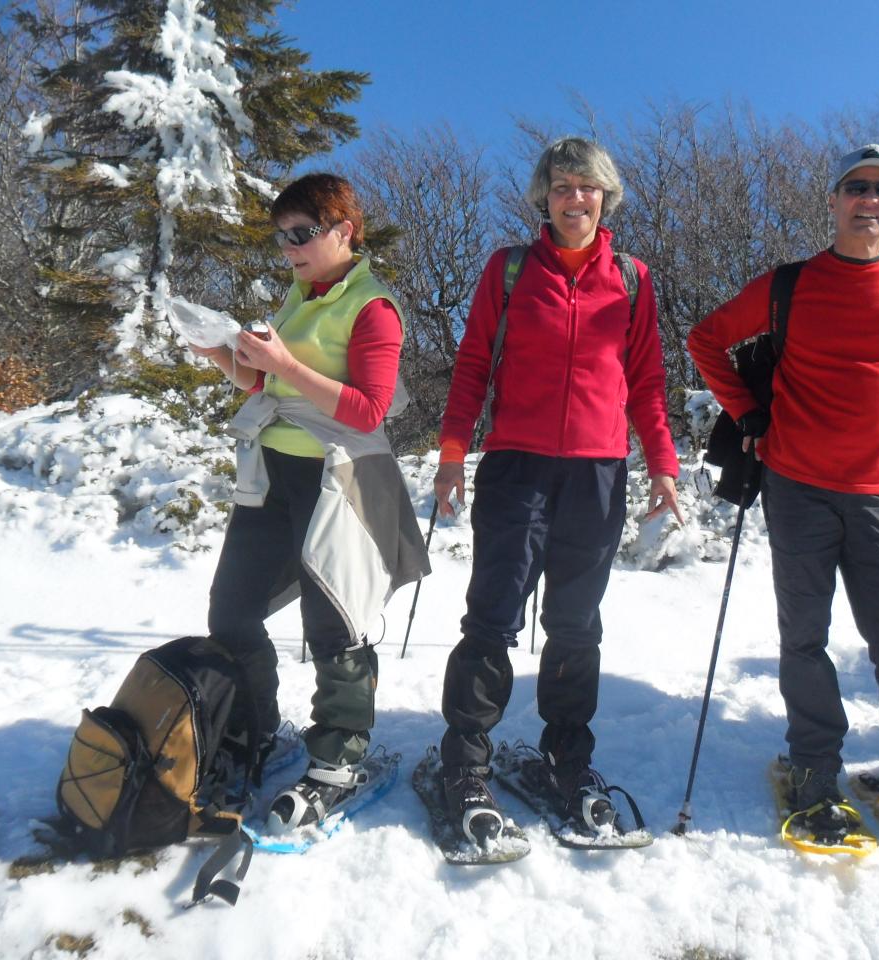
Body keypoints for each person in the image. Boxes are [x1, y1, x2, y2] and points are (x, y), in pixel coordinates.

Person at [688, 144, 879, 855]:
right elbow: (706, 340)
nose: (869, 200)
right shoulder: (790, 284)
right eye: (856, 187)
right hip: (798, 485)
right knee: (805, 640)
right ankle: (815, 772)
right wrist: (750, 415)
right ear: (834, 200)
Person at [433, 137, 682, 843]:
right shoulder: (509, 270)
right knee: (492, 615)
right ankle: (465, 762)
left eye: (590, 188)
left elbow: (648, 381)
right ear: (544, 197)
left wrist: (662, 465)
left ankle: (566, 758)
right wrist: (453, 453)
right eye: (564, 187)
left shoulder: (631, 278)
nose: (577, 199)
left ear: (607, 199)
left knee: (576, 623)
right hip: (516, 466)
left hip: (598, 474)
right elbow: (473, 362)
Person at [190, 173, 430, 830]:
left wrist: (285, 366)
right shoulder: (300, 296)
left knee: (334, 625)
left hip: (339, 482)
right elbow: (265, 385)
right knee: (232, 609)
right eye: (282, 236)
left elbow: (367, 410)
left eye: (302, 234)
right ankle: (257, 729)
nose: (289, 247)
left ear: (344, 230)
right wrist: (219, 355)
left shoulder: (372, 307)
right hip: (272, 476)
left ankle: (337, 760)